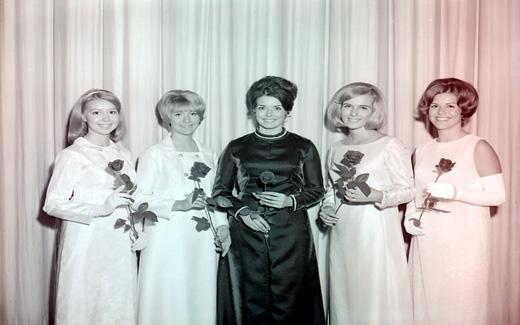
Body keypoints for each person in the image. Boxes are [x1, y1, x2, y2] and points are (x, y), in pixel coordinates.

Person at [213, 76, 325, 325]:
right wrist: (244, 213)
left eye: (277, 108)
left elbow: (317, 190)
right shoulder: (236, 147)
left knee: (292, 298)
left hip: (291, 235)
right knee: (248, 298)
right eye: (262, 107)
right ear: (252, 110)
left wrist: (289, 201)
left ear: (288, 112)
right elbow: (220, 192)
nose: (269, 114)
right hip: (246, 233)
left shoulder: (304, 146)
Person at [405, 78, 506, 325]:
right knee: (426, 307)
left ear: (464, 109)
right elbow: (414, 192)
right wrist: (409, 217)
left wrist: (455, 192)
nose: (441, 112)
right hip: (428, 241)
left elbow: (498, 196)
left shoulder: (478, 147)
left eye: (450, 106)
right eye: (435, 105)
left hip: (464, 243)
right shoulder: (421, 151)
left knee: (461, 310)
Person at [319, 82, 414, 325]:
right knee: (346, 292)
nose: (353, 113)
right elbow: (331, 189)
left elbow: (408, 190)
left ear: (374, 112)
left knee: (373, 290)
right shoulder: (336, 147)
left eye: (363, 107)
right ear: (338, 109)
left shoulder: (389, 144)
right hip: (342, 232)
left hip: (375, 230)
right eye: (348, 105)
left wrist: (376, 195)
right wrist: (327, 208)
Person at [133, 90, 230, 325]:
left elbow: (216, 197)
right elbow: (139, 201)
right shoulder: (154, 154)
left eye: (193, 113)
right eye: (179, 114)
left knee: (199, 293)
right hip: (166, 236)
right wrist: (179, 204)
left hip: (201, 238)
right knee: (167, 294)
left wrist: (223, 228)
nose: (187, 120)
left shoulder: (209, 154)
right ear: (168, 117)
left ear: (200, 117)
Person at [43, 89, 137, 324]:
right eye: (97, 112)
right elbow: (52, 204)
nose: (106, 118)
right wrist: (100, 208)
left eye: (112, 112)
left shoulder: (124, 153)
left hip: (119, 243)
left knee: (118, 301)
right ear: (83, 117)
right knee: (84, 302)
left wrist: (138, 229)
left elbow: (131, 197)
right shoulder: (72, 155)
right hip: (86, 241)